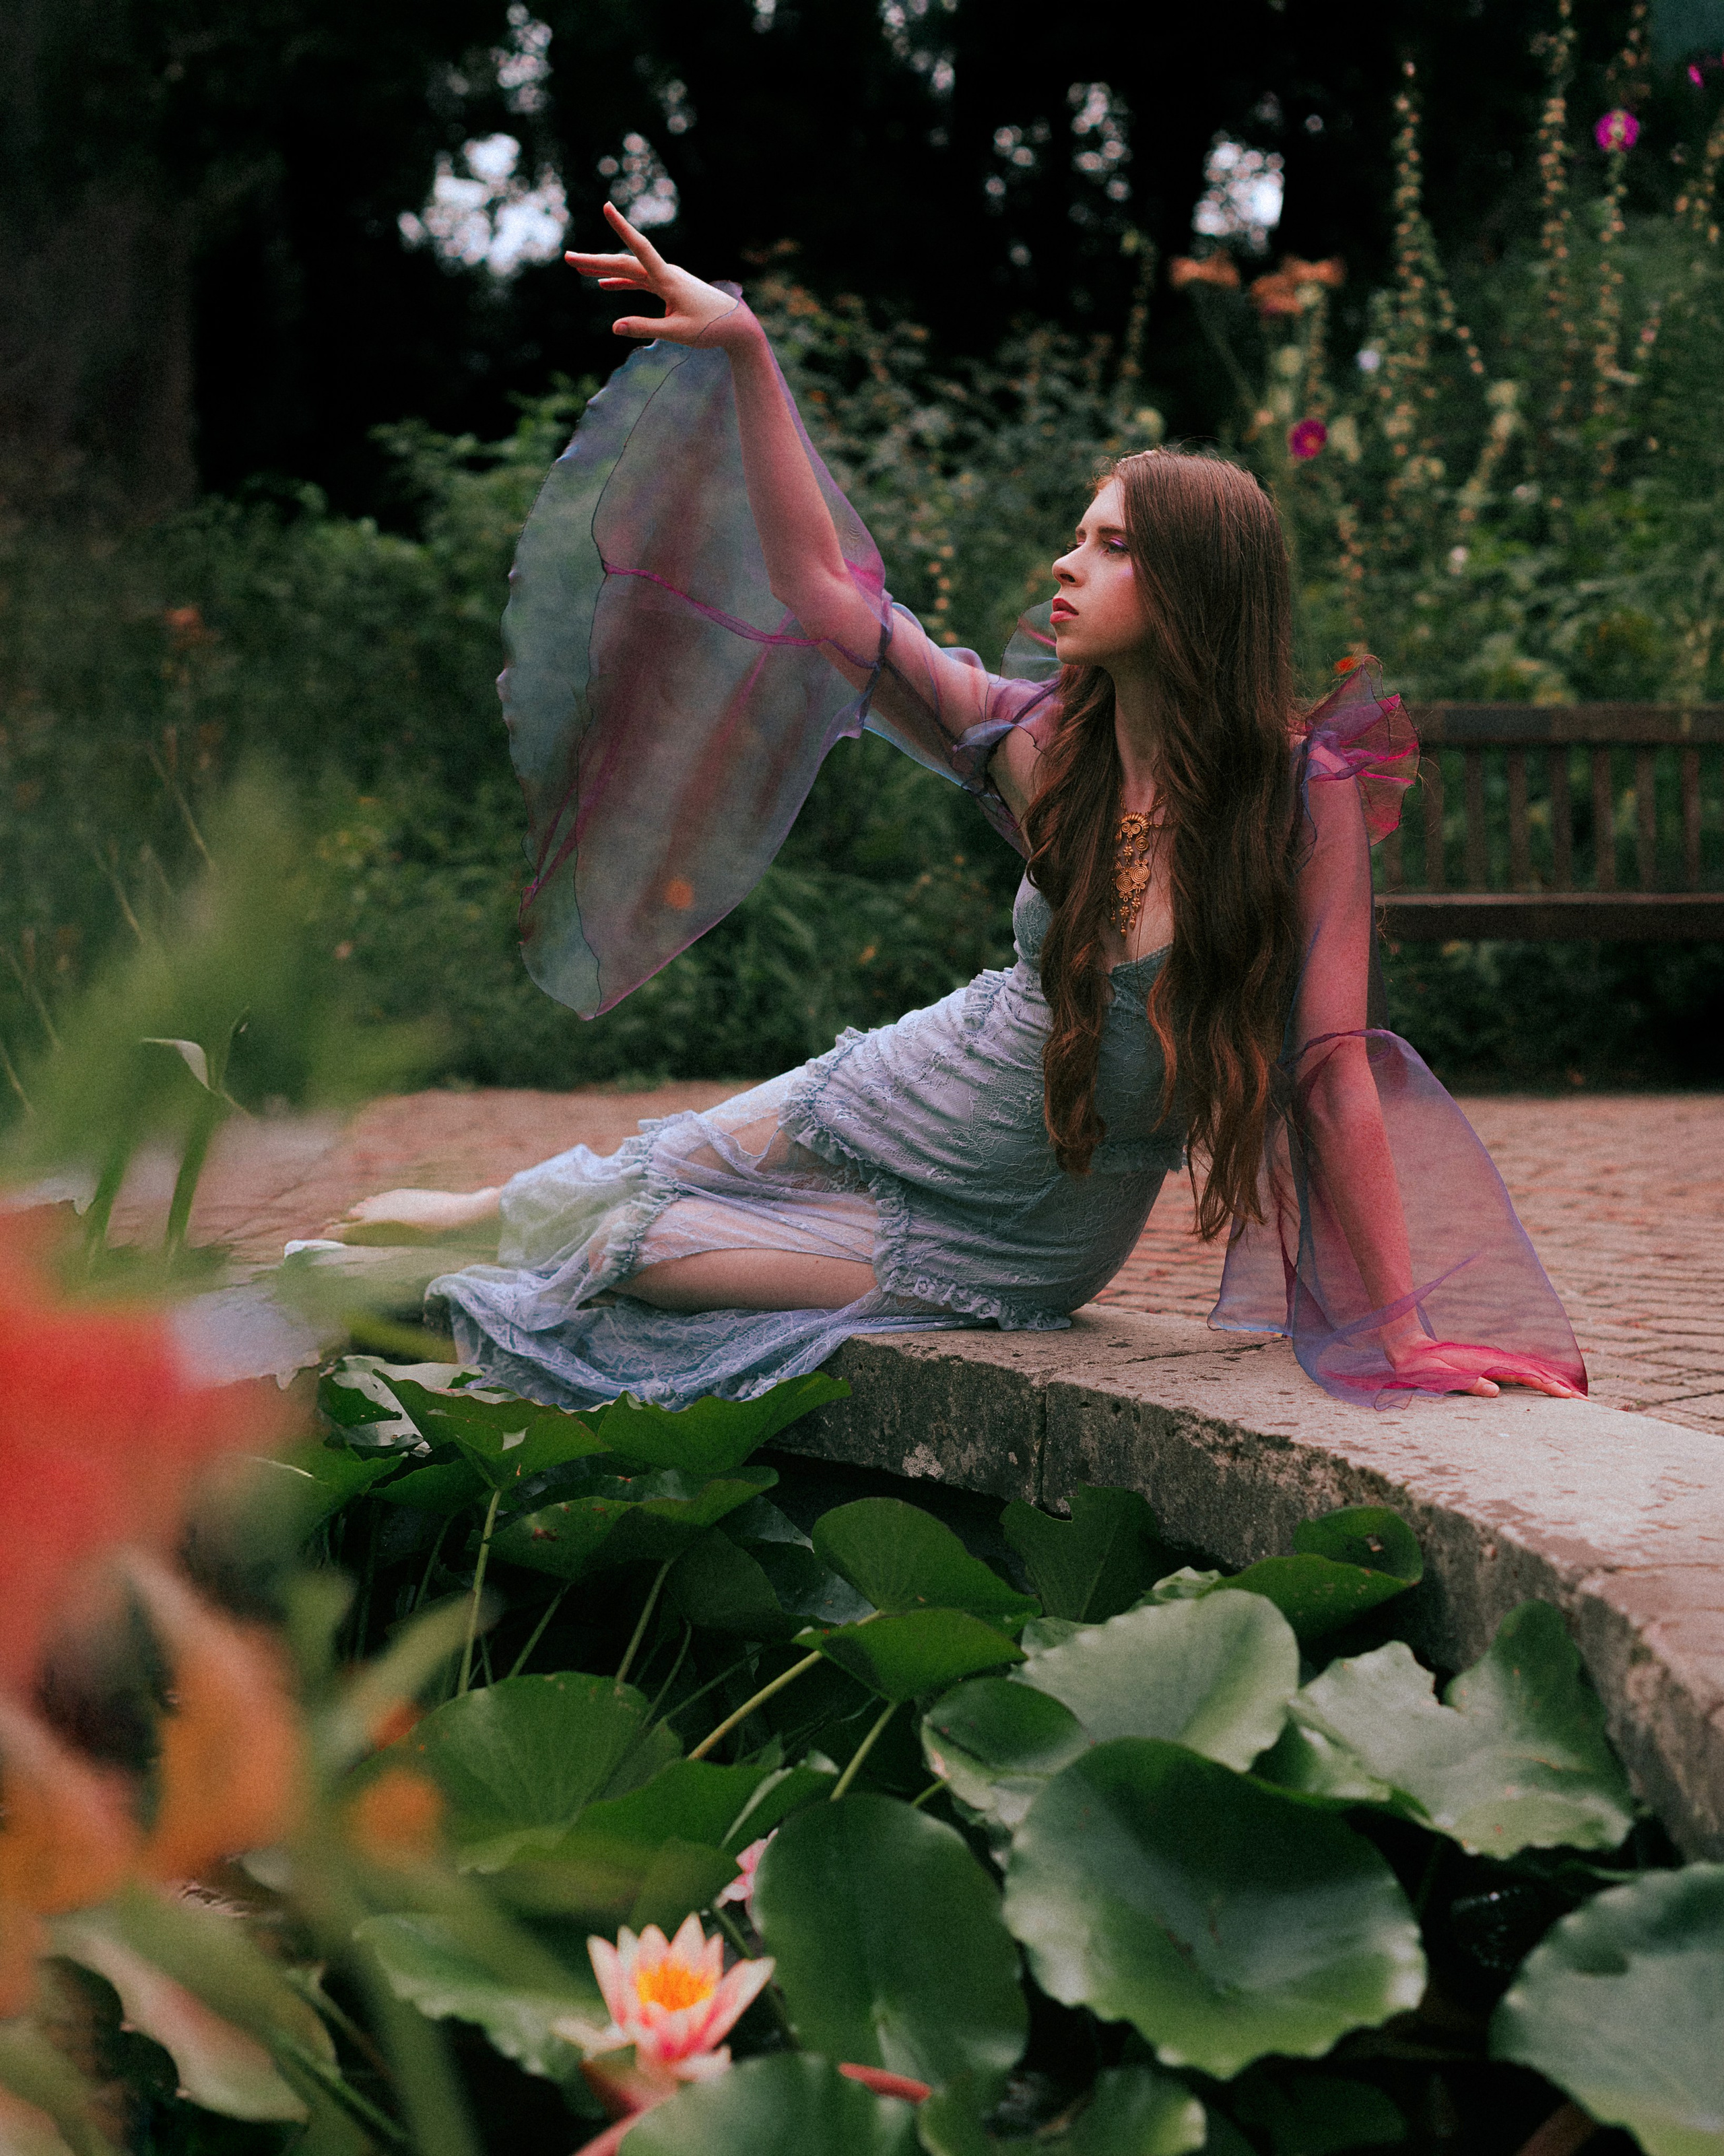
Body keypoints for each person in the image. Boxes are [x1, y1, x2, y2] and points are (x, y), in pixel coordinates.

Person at [335, 203, 1585, 1414]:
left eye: (1110, 546)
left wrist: (1401, 1325)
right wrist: (748, 349)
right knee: (633, 1186)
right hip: (930, 1075)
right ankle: (485, 1222)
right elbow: (824, 591)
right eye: (1078, 535)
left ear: (1198, 589)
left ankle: (484, 1257)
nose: (1066, 562)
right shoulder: (1040, 744)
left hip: (1036, 1233)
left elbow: (1329, 1074)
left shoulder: (1297, 801)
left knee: (644, 1244)